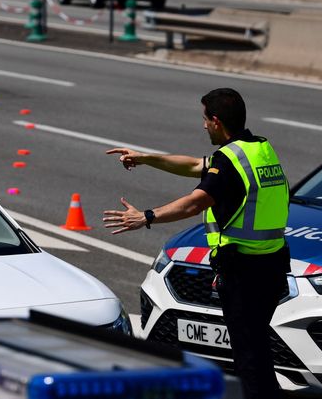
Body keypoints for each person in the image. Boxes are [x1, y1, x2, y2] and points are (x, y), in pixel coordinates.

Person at [102, 88, 290, 399]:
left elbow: (195, 203)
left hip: (245, 271)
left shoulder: (229, 162)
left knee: (249, 357)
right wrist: (145, 158)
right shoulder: (258, 149)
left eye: (205, 119)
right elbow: (192, 166)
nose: (203, 125)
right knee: (256, 348)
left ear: (216, 121)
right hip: (270, 265)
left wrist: (146, 216)